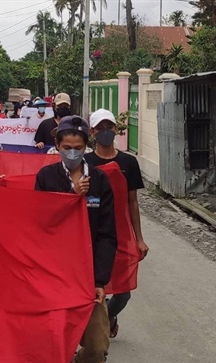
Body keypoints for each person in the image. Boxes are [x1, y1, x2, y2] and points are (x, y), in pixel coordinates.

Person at [35, 115, 117, 363]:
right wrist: (71, 196)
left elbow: (107, 234)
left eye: (78, 148)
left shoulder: (100, 181)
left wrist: (100, 281)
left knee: (97, 346)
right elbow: (41, 221)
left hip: (88, 275)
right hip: (55, 273)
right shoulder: (46, 177)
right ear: (57, 145)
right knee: (56, 342)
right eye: (66, 147)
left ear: (86, 146)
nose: (72, 153)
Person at [84, 109, 149, 348]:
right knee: (96, 288)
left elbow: (132, 201)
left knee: (124, 290)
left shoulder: (128, 162)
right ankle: (97, 342)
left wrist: (139, 238)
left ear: (116, 130)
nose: (105, 132)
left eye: (109, 127)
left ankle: (110, 316)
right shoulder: (85, 163)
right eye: (100, 128)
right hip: (94, 234)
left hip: (122, 234)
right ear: (92, 132)